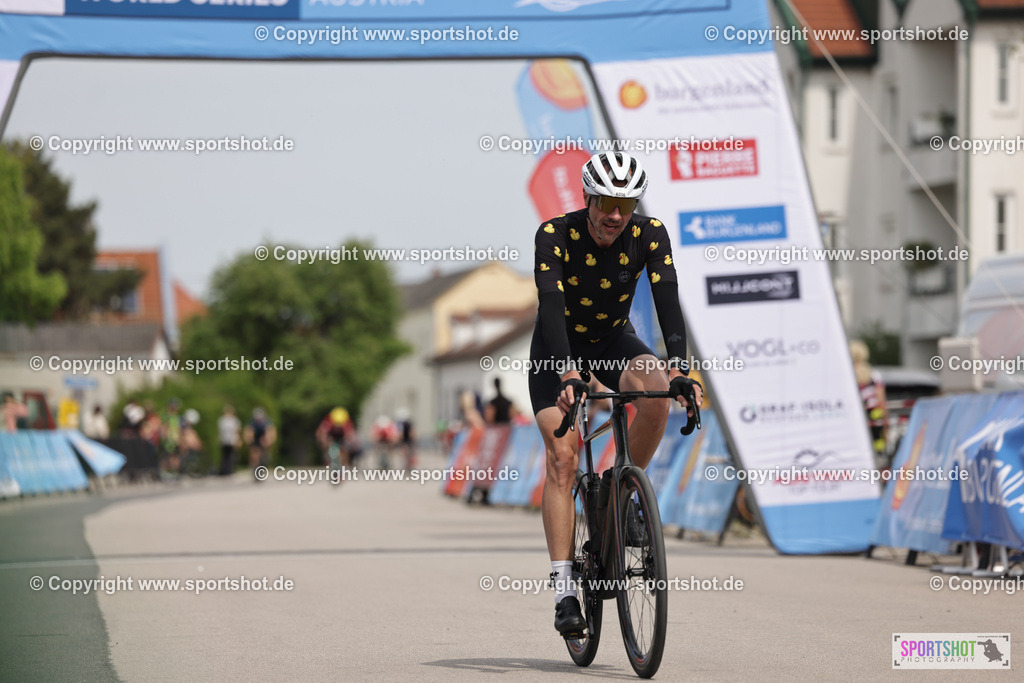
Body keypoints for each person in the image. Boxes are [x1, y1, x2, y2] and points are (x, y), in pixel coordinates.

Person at [531, 151, 703, 636]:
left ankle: (621, 492)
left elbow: (667, 294)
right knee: (564, 459)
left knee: (657, 391)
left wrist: (679, 369)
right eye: (606, 201)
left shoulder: (649, 233)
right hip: (556, 348)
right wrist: (567, 373)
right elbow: (550, 303)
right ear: (587, 197)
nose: (614, 214)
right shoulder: (555, 235)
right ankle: (565, 590)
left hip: (611, 339)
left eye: (625, 204)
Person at [850, 340, 888, 466]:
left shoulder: (846, 375)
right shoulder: (873, 375)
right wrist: (885, 423)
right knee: (878, 451)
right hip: (875, 417)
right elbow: (881, 401)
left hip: (856, 418)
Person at [317, 407, 356, 475]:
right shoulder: (328, 421)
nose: (337, 426)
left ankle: (344, 465)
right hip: (331, 435)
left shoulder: (346, 422)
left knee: (345, 450)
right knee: (327, 445)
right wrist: (323, 442)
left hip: (342, 436)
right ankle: (329, 461)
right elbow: (322, 433)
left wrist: (350, 442)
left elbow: (350, 434)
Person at [243, 407, 276, 473]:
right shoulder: (252, 422)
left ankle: (265, 461)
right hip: (255, 437)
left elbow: (270, 431)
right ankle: (254, 466)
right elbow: (248, 431)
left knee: (265, 451)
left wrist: (268, 441)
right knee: (254, 452)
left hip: (263, 436)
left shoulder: (266, 422)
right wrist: (249, 440)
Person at [218, 405, 242, 476]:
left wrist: (238, 440)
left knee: (231, 456)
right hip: (224, 440)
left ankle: (230, 470)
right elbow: (221, 431)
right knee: (225, 456)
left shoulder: (234, 420)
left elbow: (237, 431)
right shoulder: (222, 420)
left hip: (232, 440)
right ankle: (225, 470)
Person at [395, 407, 416, 472]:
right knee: (404, 452)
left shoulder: (407, 424)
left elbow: (412, 433)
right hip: (404, 440)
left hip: (407, 440)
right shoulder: (402, 424)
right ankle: (407, 463)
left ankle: (408, 463)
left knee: (407, 452)